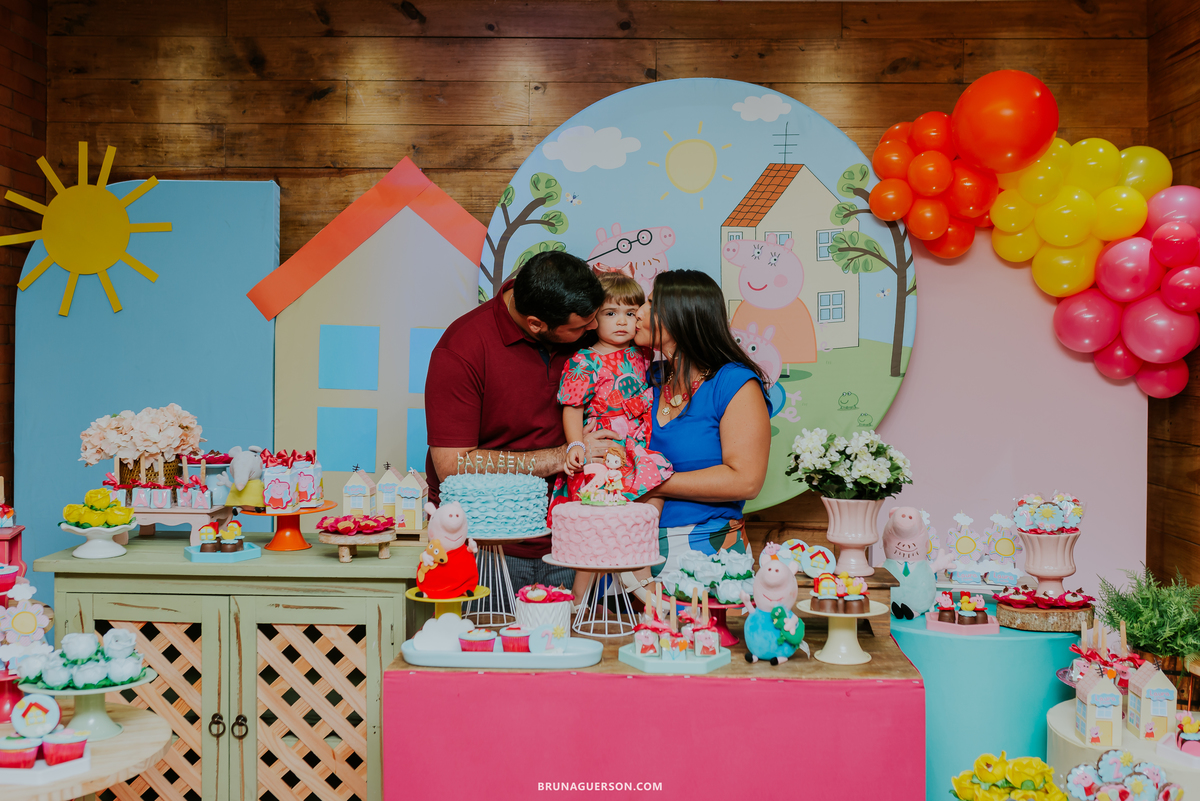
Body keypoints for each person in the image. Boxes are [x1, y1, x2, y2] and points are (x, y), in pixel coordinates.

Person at [424, 251, 616, 591]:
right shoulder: (463, 348)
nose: (595, 328)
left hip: (577, 538)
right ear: (536, 324)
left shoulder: (582, 323)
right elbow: (453, 465)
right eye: (581, 325)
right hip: (491, 548)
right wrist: (562, 455)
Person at [633, 270, 772, 577]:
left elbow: (746, 480)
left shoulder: (733, 383)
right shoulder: (647, 378)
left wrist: (649, 483)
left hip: (705, 550)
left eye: (652, 304)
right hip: (628, 545)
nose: (638, 312)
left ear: (684, 315)